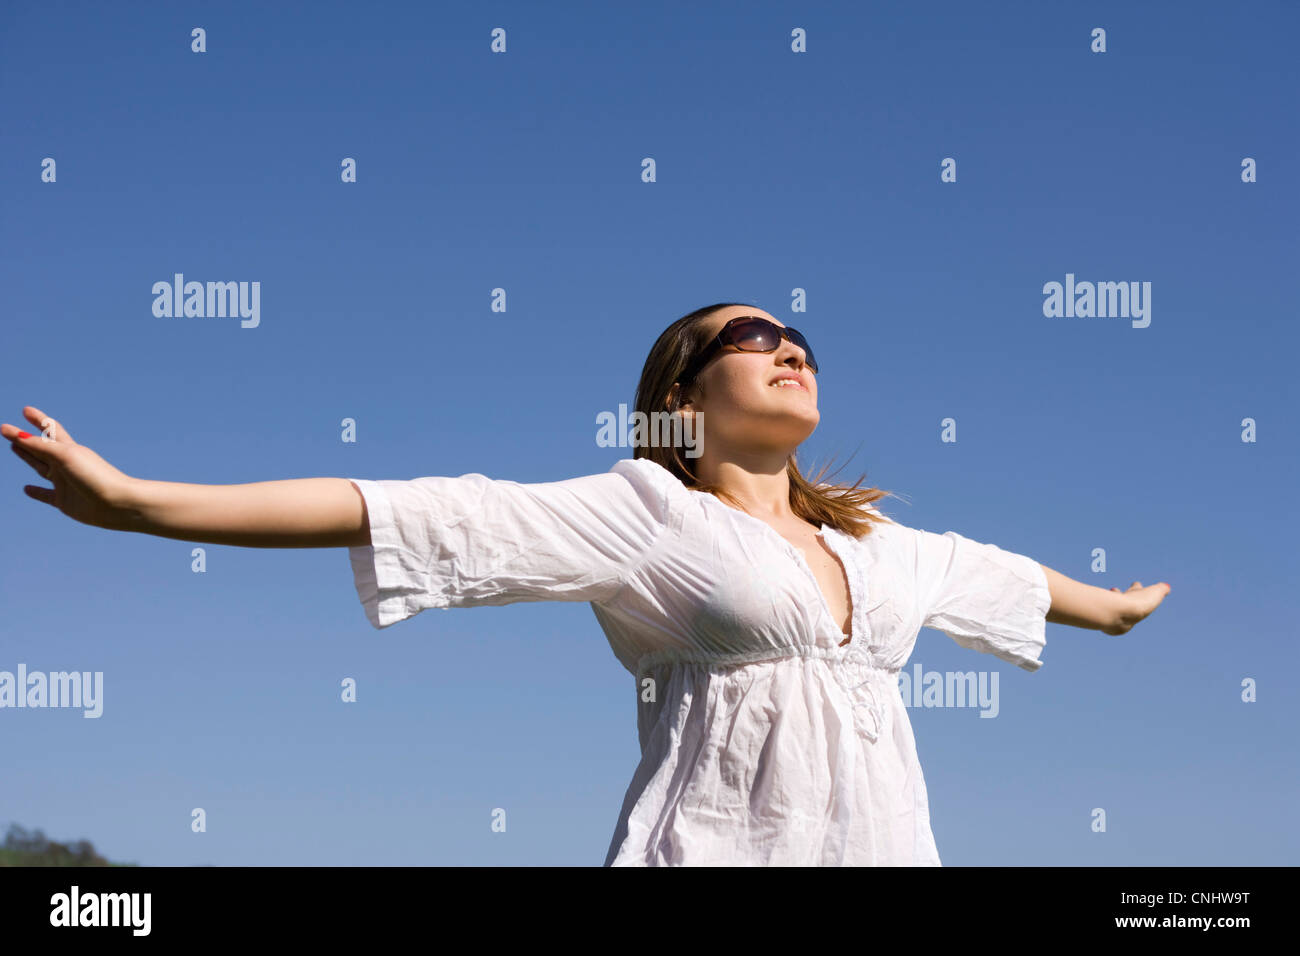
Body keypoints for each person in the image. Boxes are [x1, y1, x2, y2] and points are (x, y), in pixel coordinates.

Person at [3, 301, 1170, 866]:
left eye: (799, 332)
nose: (788, 344)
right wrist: (144, 501)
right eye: (754, 333)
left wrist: (1113, 610)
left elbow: (1009, 578)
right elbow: (418, 505)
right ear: (681, 396)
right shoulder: (647, 513)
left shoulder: (878, 547)